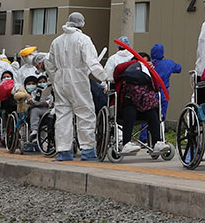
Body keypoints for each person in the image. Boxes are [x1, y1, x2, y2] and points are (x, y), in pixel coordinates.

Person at [45, 12, 107, 161]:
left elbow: (49, 64)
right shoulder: (83, 39)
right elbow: (92, 62)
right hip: (78, 80)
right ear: (82, 23)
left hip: (60, 81)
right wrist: (105, 78)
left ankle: (64, 152)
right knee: (85, 113)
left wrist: (55, 80)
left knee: (62, 116)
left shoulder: (56, 41)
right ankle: (87, 151)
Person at [114, 53, 169, 155]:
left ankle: (157, 142)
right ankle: (126, 143)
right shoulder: (125, 72)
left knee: (153, 113)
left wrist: (151, 70)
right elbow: (117, 70)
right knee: (130, 111)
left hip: (144, 107)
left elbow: (156, 87)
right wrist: (136, 62)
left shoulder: (147, 75)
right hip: (126, 107)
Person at [141, 43, 182, 143]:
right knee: (161, 116)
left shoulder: (148, 64)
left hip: (149, 92)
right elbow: (179, 68)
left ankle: (144, 137)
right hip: (164, 92)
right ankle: (159, 137)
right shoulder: (169, 63)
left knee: (147, 115)